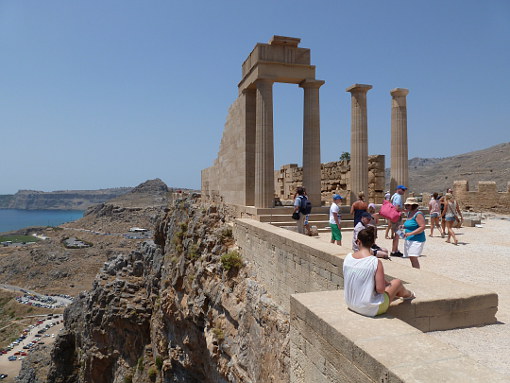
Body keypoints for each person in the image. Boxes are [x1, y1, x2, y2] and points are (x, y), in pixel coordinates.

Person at [343, 227, 415, 317]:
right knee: (397, 282)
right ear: (373, 243)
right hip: (369, 309)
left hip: (350, 303)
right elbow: (380, 290)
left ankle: (401, 293)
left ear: (358, 242)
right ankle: (409, 295)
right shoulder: (375, 262)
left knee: (389, 284)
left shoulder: (348, 258)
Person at [402, 197, 426, 269]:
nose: (406, 207)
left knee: (413, 256)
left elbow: (422, 227)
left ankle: (417, 273)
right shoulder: (409, 213)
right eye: (406, 205)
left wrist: (410, 233)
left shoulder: (418, 214)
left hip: (417, 239)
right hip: (409, 238)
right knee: (411, 257)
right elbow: (411, 224)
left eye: (408, 205)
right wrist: (403, 226)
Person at [389, 185, 407, 257]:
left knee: (397, 233)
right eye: (403, 190)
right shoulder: (398, 197)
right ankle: (394, 251)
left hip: (393, 216)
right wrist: (404, 210)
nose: (404, 191)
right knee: (398, 233)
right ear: (398, 189)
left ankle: (395, 249)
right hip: (397, 217)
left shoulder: (393, 196)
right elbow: (397, 207)